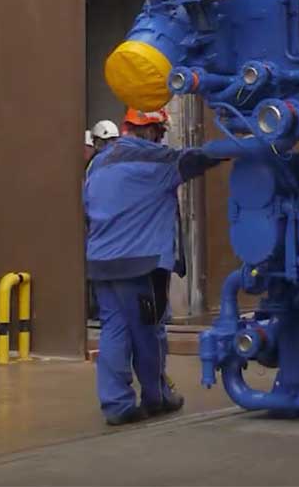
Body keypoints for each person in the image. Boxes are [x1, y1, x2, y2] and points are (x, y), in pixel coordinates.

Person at [83, 106, 223, 426]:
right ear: (152, 131)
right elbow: (203, 157)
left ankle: (116, 404)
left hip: (102, 263)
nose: (162, 139)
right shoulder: (160, 161)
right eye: (160, 133)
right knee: (149, 332)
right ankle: (157, 395)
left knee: (114, 330)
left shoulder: (97, 163)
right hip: (142, 264)